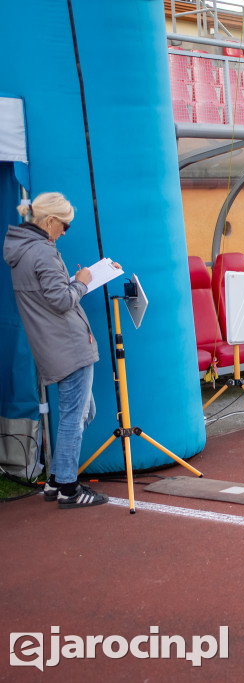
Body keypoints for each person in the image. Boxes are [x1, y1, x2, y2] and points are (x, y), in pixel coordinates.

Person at [4, 192, 108, 508]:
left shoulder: (21, 250)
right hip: (68, 345)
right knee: (75, 417)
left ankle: (56, 479)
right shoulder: (43, 253)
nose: (64, 232)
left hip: (54, 345)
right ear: (50, 221)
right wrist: (83, 280)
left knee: (82, 412)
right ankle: (67, 487)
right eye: (64, 226)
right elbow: (61, 300)